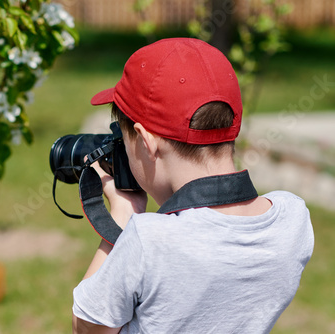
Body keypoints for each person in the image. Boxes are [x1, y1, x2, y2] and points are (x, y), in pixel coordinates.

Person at [72, 38, 314, 333]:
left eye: (123, 140)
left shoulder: (149, 241)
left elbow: (87, 327)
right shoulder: (293, 219)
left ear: (146, 142)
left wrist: (122, 217)